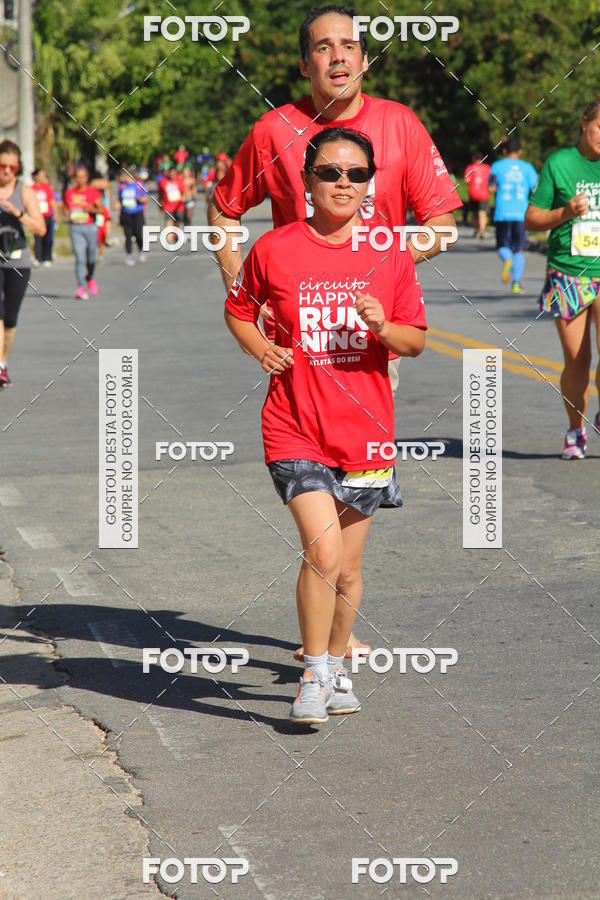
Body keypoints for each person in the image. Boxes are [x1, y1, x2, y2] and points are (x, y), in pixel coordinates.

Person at [209, 3, 460, 660]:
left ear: (366, 59)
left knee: (348, 518)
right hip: (298, 341)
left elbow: (441, 223)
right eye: (323, 47)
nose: (339, 56)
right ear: (305, 63)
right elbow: (224, 207)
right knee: (317, 516)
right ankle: (323, 633)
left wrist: (385, 260)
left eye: (350, 44)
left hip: (373, 342)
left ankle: (330, 622)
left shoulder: (400, 125)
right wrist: (245, 289)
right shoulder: (274, 131)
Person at [225, 128, 427, 724]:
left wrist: (382, 326)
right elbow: (238, 310)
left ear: (370, 185)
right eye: (331, 172)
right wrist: (260, 348)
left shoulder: (389, 250)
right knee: (322, 549)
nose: (344, 183)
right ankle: (313, 676)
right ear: (307, 181)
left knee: (349, 568)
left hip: (364, 431)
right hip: (294, 425)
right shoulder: (275, 248)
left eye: (356, 174)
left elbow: (414, 340)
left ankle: (336, 667)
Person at [525, 98, 600, 460]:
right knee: (577, 359)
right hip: (569, 273)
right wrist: (565, 212)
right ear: (585, 122)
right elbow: (532, 218)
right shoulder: (560, 163)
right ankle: (576, 429)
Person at [0, 140, 46, 387]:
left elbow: (41, 228)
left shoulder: (24, 191)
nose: (7, 171)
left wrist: (17, 214)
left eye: (12, 167)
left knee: (10, 317)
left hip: (18, 261)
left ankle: (3, 363)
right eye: (2, 166)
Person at [489, 138, 538, 295]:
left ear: (504, 151)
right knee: (519, 249)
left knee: (503, 246)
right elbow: (536, 188)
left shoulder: (497, 167)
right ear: (520, 151)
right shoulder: (527, 168)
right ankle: (516, 282)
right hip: (521, 213)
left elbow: (491, 187)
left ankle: (507, 259)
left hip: (503, 213)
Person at [63, 164, 104, 300]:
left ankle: (90, 277)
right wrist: (67, 213)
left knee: (91, 258)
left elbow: (101, 210)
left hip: (90, 227)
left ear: (87, 178)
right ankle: (81, 287)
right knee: (80, 258)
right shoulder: (69, 193)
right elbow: (66, 208)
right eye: (77, 177)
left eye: (83, 177)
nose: (80, 180)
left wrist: (92, 209)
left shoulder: (93, 193)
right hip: (76, 228)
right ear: (74, 178)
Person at [117, 167, 147, 264]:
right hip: (126, 213)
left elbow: (145, 198)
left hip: (137, 213)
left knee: (138, 233)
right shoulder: (122, 186)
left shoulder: (139, 185)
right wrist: (117, 205)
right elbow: (119, 199)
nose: (123, 177)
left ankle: (141, 250)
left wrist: (140, 199)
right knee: (128, 235)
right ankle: (128, 255)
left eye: (125, 175)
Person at [31, 168, 57, 266]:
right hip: (36, 217)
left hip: (47, 216)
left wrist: (56, 215)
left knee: (48, 237)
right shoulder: (31, 189)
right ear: (36, 177)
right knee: (37, 238)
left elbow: (52, 202)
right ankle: (38, 258)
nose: (44, 178)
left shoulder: (47, 188)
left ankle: (47, 257)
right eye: (42, 176)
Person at [464, 152, 490, 239]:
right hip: (484, 194)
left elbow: (467, 180)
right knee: (482, 213)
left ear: (473, 158)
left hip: (473, 193)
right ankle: (482, 231)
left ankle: (476, 230)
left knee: (475, 213)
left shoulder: (470, 167)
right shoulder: (487, 168)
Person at [158, 164, 185, 241]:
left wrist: (184, 197)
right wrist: (160, 203)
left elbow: (185, 191)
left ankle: (176, 237)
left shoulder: (179, 180)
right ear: (168, 173)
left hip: (179, 206)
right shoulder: (163, 181)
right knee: (168, 222)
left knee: (177, 223)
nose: (172, 175)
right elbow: (160, 193)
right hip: (168, 206)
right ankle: (169, 241)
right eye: (171, 173)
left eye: (174, 173)